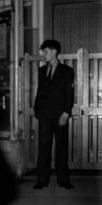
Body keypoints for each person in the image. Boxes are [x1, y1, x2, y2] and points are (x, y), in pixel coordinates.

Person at [33, 39, 74, 189]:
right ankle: (42, 180)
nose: (44, 54)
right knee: (43, 147)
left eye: (46, 51)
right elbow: (40, 92)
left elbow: (69, 94)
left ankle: (63, 180)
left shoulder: (67, 71)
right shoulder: (42, 70)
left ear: (55, 51)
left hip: (60, 115)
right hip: (44, 115)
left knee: (61, 147)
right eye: (43, 51)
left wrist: (66, 113)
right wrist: (37, 109)